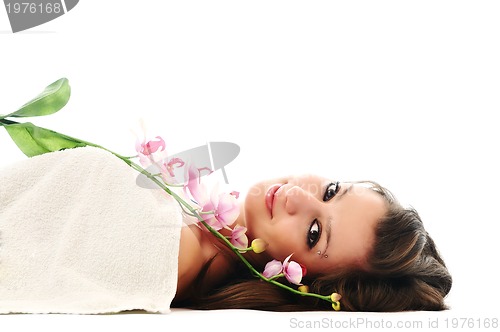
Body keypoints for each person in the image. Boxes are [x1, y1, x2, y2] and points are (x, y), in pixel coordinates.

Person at [172, 175, 452, 311]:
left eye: (314, 233)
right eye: (331, 192)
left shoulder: (179, 251)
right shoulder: (195, 219)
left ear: (296, 281)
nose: (295, 195)